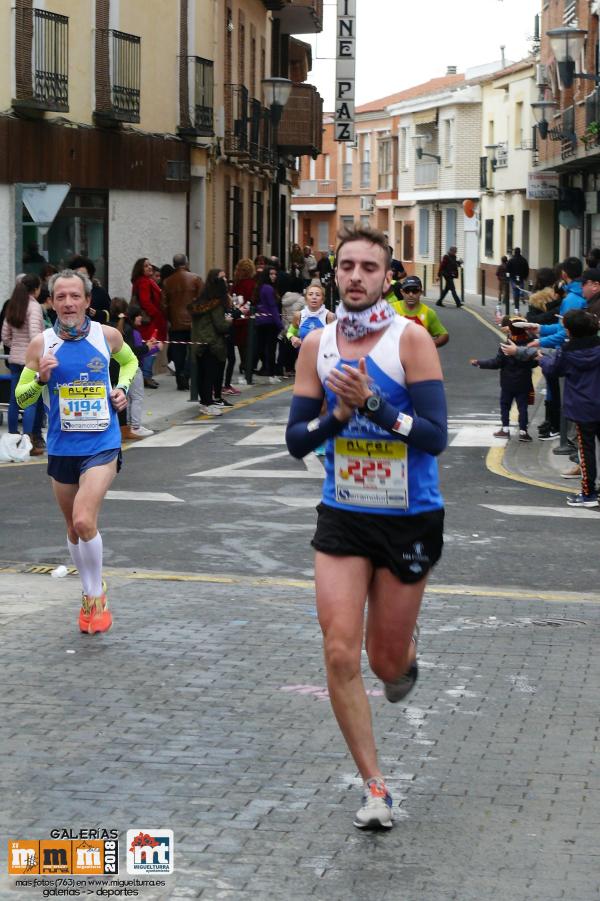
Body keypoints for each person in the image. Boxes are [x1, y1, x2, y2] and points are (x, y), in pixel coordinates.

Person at [285, 225, 447, 830]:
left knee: (383, 664)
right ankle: (375, 787)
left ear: (385, 276)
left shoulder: (411, 341)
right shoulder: (316, 346)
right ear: (335, 273)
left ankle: (403, 655)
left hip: (409, 517)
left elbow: (436, 436)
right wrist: (337, 415)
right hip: (344, 515)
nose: (355, 277)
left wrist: (375, 405)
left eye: (368, 268)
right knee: (337, 648)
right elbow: (295, 441)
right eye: (346, 266)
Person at [15, 269, 138, 633]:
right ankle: (90, 592)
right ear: (51, 302)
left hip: (102, 442)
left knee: (85, 520)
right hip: (62, 446)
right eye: (61, 297)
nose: (68, 303)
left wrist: (123, 389)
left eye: (75, 296)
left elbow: (129, 363)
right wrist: (40, 380)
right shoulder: (42, 344)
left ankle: (93, 594)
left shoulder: (107, 336)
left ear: (87, 300)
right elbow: (22, 399)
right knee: (72, 528)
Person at [538, 309, 600, 507]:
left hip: (583, 407)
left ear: (570, 331)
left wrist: (542, 359)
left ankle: (588, 493)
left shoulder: (567, 352)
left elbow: (553, 369)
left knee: (586, 450)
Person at [470, 317, 538, 442]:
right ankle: (523, 432)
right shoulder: (530, 345)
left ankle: (505, 429)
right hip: (524, 382)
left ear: (511, 331)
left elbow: (496, 363)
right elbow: (535, 363)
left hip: (507, 383)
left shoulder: (506, 346)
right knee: (522, 407)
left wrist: (479, 363)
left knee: (505, 405)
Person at [1, 274, 45, 455]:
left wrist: (16, 348)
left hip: (14, 361)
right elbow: (35, 334)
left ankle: (12, 440)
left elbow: (5, 336)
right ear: (35, 289)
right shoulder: (34, 307)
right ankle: (28, 442)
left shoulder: (13, 304)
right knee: (31, 401)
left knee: (14, 401)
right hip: (30, 362)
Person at [189, 269, 231, 416]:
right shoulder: (216, 304)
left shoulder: (200, 301)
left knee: (202, 374)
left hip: (199, 342)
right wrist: (229, 322)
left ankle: (204, 402)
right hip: (212, 343)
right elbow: (220, 325)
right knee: (209, 375)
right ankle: (208, 403)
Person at [162, 253, 203, 391]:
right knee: (194, 351)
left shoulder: (167, 282)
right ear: (187, 263)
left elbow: (164, 305)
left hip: (175, 323)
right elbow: (201, 301)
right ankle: (186, 374)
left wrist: (170, 319)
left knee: (178, 353)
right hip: (193, 322)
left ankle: (181, 380)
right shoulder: (196, 279)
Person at [122, 303, 161, 438]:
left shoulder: (123, 329)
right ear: (134, 317)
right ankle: (136, 426)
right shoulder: (134, 332)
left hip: (123, 368)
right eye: (139, 315)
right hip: (133, 368)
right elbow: (137, 352)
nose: (141, 319)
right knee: (137, 397)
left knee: (128, 398)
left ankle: (127, 426)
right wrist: (153, 347)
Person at [131, 257, 167, 388]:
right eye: (146, 266)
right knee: (151, 346)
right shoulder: (144, 282)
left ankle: (147, 375)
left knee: (150, 346)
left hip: (149, 320)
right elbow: (146, 302)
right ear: (140, 269)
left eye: (150, 265)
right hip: (150, 321)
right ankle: (146, 376)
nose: (150, 267)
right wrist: (156, 314)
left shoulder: (142, 281)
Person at [391, 276, 449, 348]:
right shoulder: (391, 309)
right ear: (402, 292)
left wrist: (429, 345)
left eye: (415, 291)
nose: (411, 294)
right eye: (407, 290)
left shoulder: (428, 313)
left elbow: (444, 335)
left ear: (421, 292)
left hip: (419, 358)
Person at [253, 266, 283, 382]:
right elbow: (273, 307)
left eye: (275, 274)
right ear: (267, 275)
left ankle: (266, 367)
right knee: (270, 347)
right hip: (270, 322)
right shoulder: (269, 289)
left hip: (261, 320)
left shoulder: (261, 287)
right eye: (271, 274)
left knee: (261, 346)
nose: (274, 276)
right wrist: (279, 324)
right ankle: (269, 368)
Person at [69, 256, 111, 325]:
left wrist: (96, 313)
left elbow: (109, 313)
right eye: (77, 275)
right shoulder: (68, 292)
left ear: (90, 275)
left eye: (83, 275)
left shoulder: (100, 292)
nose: (80, 278)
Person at [506, 248, 529, 314]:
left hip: (513, 278)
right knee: (520, 289)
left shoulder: (511, 260)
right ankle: (521, 295)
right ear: (520, 252)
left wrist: (508, 277)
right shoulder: (524, 260)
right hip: (521, 278)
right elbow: (526, 269)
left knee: (515, 291)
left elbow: (507, 269)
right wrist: (525, 277)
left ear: (514, 252)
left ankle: (516, 309)